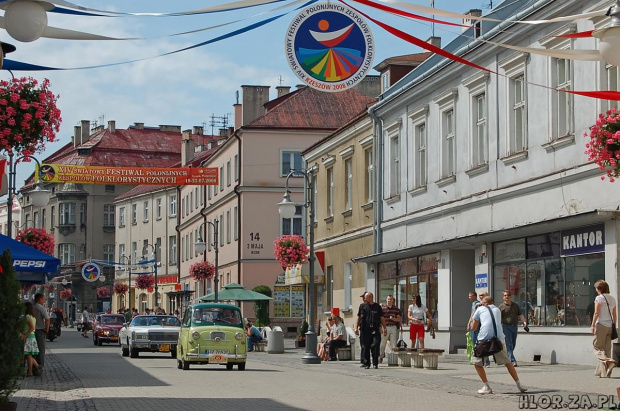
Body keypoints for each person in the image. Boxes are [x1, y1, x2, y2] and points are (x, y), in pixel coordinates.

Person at [471, 295, 527, 394]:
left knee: (476, 363)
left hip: (483, 340)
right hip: (498, 340)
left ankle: (486, 386)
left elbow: (474, 327)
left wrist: (475, 312)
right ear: (492, 302)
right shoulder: (497, 309)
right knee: (508, 362)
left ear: (483, 303)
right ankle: (519, 384)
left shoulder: (480, 309)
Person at [591, 279, 618, 378]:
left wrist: (593, 325)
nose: (596, 290)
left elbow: (597, 313)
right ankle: (604, 373)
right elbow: (614, 315)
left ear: (599, 289)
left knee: (597, 347)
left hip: (601, 325)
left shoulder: (599, 298)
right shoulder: (612, 299)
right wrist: (614, 325)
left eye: (596, 288)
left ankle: (608, 361)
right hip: (610, 325)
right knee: (607, 349)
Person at [355, 292, 387, 369]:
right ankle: (366, 363)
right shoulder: (362, 306)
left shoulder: (377, 307)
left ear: (370, 298)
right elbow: (358, 318)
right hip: (365, 329)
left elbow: (382, 318)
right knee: (365, 346)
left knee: (375, 345)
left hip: (375, 329)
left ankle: (375, 363)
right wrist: (356, 328)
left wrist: (384, 328)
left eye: (366, 297)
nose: (364, 299)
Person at [499, 290, 528, 367]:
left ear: (510, 297)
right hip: (506, 326)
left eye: (508, 295)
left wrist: (524, 323)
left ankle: (508, 357)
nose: (506, 297)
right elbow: (498, 318)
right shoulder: (501, 307)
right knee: (509, 344)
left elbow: (520, 315)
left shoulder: (515, 305)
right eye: (505, 295)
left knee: (513, 343)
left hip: (514, 326)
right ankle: (512, 361)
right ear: (503, 297)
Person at [468, 291, 491, 367]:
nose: (480, 296)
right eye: (480, 295)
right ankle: (478, 360)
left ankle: (486, 362)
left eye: (482, 295)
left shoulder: (488, 305)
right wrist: (469, 323)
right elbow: (473, 315)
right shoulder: (477, 305)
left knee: (483, 343)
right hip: (476, 325)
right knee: (476, 343)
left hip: (483, 326)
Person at [380, 294, 402, 363]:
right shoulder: (383, 309)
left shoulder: (396, 309)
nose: (389, 300)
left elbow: (399, 319)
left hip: (393, 327)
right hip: (385, 327)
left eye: (391, 299)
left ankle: (393, 359)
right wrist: (380, 327)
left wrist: (393, 319)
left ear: (393, 300)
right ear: (386, 300)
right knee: (382, 343)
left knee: (393, 344)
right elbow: (380, 319)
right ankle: (381, 356)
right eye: (388, 299)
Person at [22, 302, 41, 377]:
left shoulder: (27, 317)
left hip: (29, 337)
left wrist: (25, 335)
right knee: (28, 355)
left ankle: (30, 371)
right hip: (32, 336)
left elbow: (32, 327)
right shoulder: (33, 317)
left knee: (28, 355)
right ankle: (37, 366)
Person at [33, 293, 49, 368]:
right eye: (44, 299)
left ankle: (33, 366)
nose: (44, 301)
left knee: (33, 350)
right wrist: (46, 329)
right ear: (39, 299)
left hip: (32, 331)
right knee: (40, 350)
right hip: (40, 331)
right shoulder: (41, 308)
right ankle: (39, 366)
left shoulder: (32, 307)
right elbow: (47, 319)